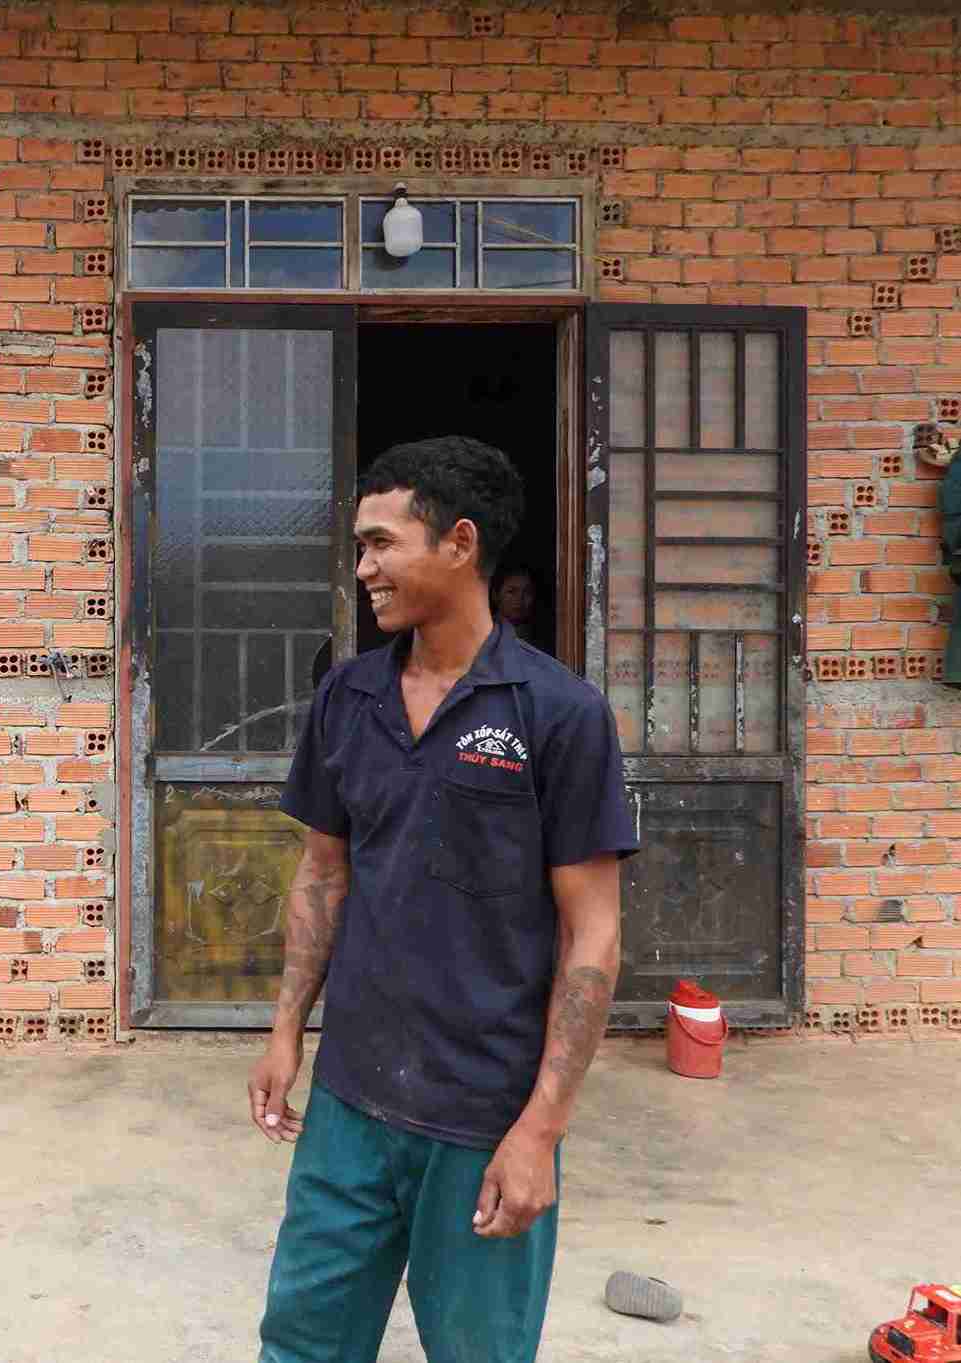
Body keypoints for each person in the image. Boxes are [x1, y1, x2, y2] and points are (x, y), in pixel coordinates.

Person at [249, 435, 638, 1363]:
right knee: (300, 1344)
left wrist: (541, 1127)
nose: (362, 569)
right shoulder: (349, 698)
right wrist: (284, 1027)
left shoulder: (558, 713)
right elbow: (321, 874)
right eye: (358, 547)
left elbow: (593, 931)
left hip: (481, 1118)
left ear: (458, 543)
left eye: (381, 543)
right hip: (349, 1102)